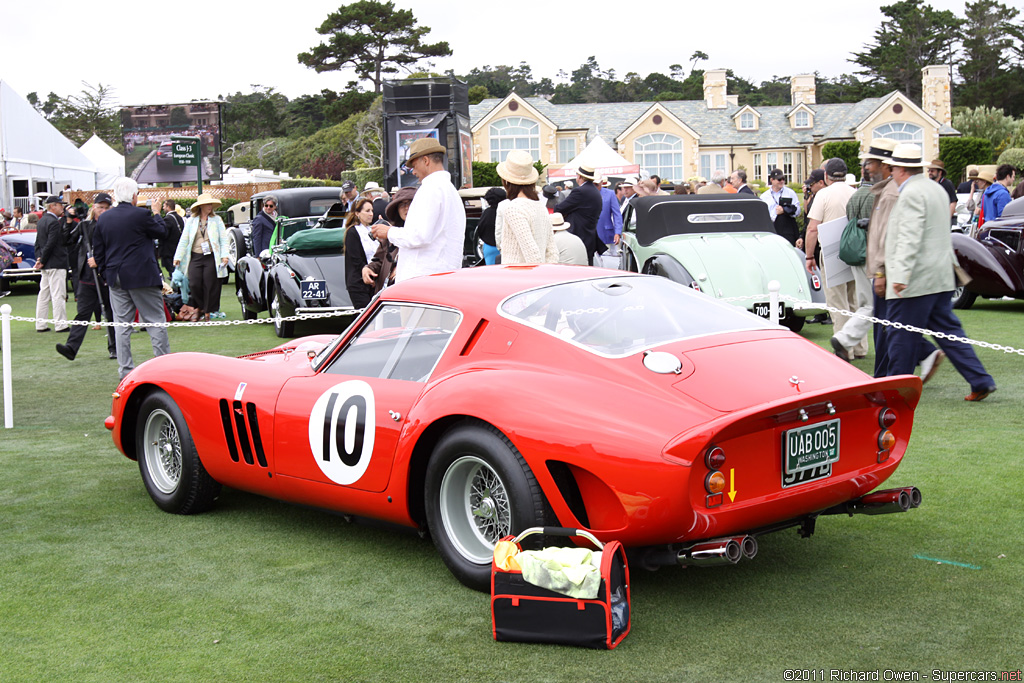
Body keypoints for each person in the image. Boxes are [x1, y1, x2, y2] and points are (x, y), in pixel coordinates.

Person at [883, 143, 996, 401]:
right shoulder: (935, 189)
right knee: (951, 334)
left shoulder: (911, 194)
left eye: (892, 168)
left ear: (900, 169)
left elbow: (910, 237)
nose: (890, 173)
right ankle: (980, 380)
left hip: (916, 280)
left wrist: (899, 275)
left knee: (901, 337)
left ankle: (894, 392)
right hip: (941, 275)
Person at [866, 142, 942, 380]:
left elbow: (893, 236)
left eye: (872, 163)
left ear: (890, 167)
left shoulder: (893, 193)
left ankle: (891, 378)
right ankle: (910, 363)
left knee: (890, 330)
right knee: (893, 328)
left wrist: (882, 273)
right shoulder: (895, 189)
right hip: (904, 272)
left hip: (894, 273)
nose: (867, 167)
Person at [92, 177, 170, 379]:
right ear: (135, 196)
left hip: (115, 276)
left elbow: (98, 251)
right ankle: (163, 367)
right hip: (142, 275)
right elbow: (161, 232)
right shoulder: (141, 214)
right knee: (155, 322)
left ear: (115, 196)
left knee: (122, 325)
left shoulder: (104, 218)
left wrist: (105, 273)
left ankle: (125, 369)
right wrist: (156, 212)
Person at [369, 137, 464, 282]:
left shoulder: (431, 188)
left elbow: (418, 236)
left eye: (413, 166)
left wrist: (389, 232)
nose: (413, 172)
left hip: (423, 280)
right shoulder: (450, 191)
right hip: (442, 277)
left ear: (426, 160)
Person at [830, 141, 888, 362]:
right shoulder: (881, 195)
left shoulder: (855, 197)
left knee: (865, 302)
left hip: (856, 252)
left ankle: (849, 340)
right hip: (873, 254)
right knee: (871, 305)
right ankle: (849, 339)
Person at [56, 193, 117, 361]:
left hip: (105, 275)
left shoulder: (113, 226)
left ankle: (115, 348)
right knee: (83, 313)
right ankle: (71, 348)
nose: (103, 211)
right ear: (94, 208)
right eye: (100, 207)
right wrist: (68, 220)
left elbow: (116, 248)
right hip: (86, 276)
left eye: (106, 208)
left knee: (111, 312)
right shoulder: (85, 225)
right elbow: (66, 240)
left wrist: (100, 260)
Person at [805, 159, 859, 350]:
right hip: (855, 250)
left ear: (826, 175)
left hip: (831, 251)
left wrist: (809, 256)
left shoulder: (823, 195)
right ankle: (859, 347)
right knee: (854, 300)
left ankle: (845, 348)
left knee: (837, 302)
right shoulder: (855, 192)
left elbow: (812, 229)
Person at [494, 150, 557, 265]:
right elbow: (552, 251)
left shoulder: (513, 208)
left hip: (518, 276)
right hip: (541, 274)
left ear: (506, 181)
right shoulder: (540, 206)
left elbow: (531, 252)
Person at [173, 193, 229, 321]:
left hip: (211, 256)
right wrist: (178, 257)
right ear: (201, 206)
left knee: (210, 284)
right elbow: (184, 239)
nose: (210, 206)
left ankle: (208, 311)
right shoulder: (192, 221)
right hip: (195, 256)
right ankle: (200, 307)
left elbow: (223, 239)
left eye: (211, 204)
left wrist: (224, 256)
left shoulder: (217, 220)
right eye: (208, 204)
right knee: (194, 283)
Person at [363, 187, 415, 294]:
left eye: (410, 203)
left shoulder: (422, 236)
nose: (406, 208)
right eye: (402, 204)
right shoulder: (390, 235)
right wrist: (368, 269)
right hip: (388, 297)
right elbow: (379, 260)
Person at [33, 195, 70, 333]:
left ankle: (40, 324)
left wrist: (39, 259)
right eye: (60, 205)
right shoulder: (54, 222)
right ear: (53, 206)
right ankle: (61, 324)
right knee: (57, 294)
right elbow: (51, 243)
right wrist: (42, 260)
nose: (62, 207)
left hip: (46, 263)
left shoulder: (42, 221)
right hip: (55, 262)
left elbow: (38, 243)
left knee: (44, 294)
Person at [554, 164, 605, 266]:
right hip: (589, 235)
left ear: (580, 177)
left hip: (579, 234)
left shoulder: (580, 191)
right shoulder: (594, 190)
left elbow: (559, 208)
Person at [343, 197, 377, 308]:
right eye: (367, 211)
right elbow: (356, 259)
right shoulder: (352, 232)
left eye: (372, 210)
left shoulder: (372, 230)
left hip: (372, 282)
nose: (371, 214)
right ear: (357, 213)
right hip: (358, 284)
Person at [760, 169, 801, 246]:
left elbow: (798, 211)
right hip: (772, 228)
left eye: (783, 179)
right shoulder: (764, 197)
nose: (782, 181)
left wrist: (785, 210)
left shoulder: (790, 193)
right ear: (772, 180)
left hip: (787, 228)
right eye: (779, 179)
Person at [595, 175, 623, 257]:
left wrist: (617, 232)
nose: (595, 186)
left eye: (597, 184)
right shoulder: (586, 193)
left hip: (606, 235)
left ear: (601, 183)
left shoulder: (610, 194)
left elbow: (617, 214)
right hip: (591, 235)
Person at [477, 187, 506, 265]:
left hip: (489, 246)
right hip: (505, 247)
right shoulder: (506, 211)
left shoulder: (487, 213)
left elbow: (480, 229)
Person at [159, 199, 183, 279]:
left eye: (164, 206)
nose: (163, 208)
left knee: (172, 271)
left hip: (169, 251)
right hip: (177, 248)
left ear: (168, 207)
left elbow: (163, 233)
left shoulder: (168, 219)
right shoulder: (179, 218)